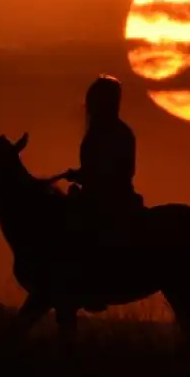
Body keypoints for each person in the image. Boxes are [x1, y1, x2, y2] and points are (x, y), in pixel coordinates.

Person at [52, 75, 143, 305]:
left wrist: (87, 177)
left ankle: (85, 283)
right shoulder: (109, 132)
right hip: (102, 194)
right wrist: (81, 174)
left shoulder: (113, 133)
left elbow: (120, 172)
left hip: (110, 199)